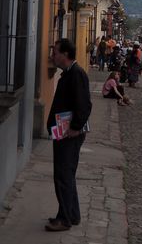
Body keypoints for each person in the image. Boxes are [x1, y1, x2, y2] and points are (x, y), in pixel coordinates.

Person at [45, 38, 92, 232]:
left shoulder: (76, 74)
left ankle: (64, 219)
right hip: (64, 132)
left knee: (63, 176)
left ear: (65, 54)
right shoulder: (68, 73)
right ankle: (72, 214)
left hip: (70, 134)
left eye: (55, 52)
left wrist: (75, 127)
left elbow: (85, 104)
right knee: (67, 175)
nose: (52, 56)